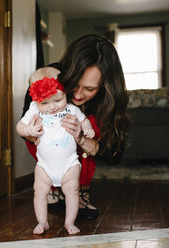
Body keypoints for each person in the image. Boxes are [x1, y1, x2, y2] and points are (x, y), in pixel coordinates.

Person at [21, 34, 131, 220]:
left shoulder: (109, 100)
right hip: (48, 148)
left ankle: (79, 190)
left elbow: (114, 155)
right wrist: (34, 132)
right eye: (74, 85)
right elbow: (24, 121)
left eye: (89, 89)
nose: (78, 95)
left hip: (78, 151)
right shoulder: (47, 78)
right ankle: (53, 187)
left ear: (105, 86)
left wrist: (82, 139)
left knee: (91, 124)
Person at [16, 67, 95, 235]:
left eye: (58, 100)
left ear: (65, 93)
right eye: (44, 103)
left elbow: (84, 120)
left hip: (69, 164)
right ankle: (42, 222)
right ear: (36, 100)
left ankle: (69, 222)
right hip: (45, 165)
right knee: (39, 191)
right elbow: (20, 126)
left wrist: (87, 130)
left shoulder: (71, 109)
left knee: (73, 190)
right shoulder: (34, 109)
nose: (52, 107)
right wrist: (28, 131)